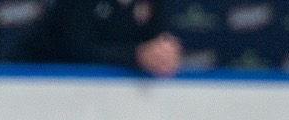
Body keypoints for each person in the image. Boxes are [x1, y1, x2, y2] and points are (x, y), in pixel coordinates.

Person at [38, 0, 183, 74]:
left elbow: (158, 40)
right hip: (42, 80)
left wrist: (164, 53)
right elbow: (76, 48)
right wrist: (135, 55)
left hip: (125, 93)